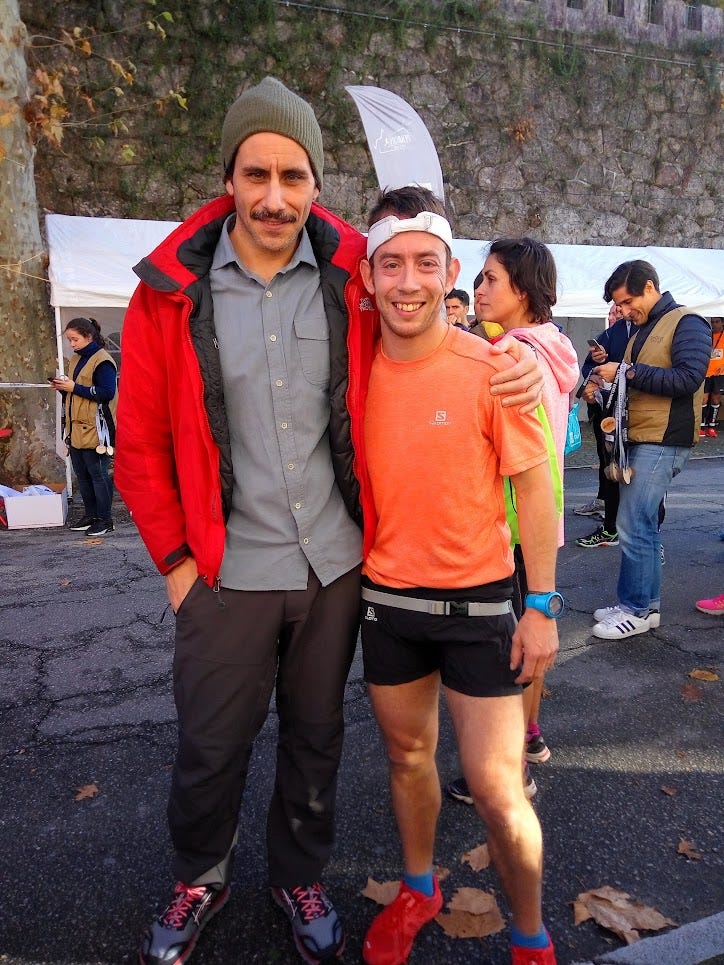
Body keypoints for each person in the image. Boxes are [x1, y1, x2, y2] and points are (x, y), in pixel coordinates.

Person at [114, 77, 545, 965]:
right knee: (211, 742)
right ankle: (201, 874)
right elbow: (141, 443)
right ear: (229, 177)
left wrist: (515, 363)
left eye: (295, 176)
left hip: (336, 567)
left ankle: (296, 872)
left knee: (317, 738)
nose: (276, 196)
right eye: (257, 173)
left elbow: (423, 318)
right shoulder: (169, 293)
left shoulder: (353, 273)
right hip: (225, 569)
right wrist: (176, 564)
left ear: (317, 184)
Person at [355, 186, 560, 965]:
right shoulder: (352, 370)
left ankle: (530, 934)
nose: (408, 282)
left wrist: (540, 603)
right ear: (370, 276)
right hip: (387, 603)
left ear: (450, 275)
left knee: (500, 790)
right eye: (392, 265)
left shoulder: (495, 366)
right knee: (407, 760)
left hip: (479, 605)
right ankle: (418, 886)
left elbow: (536, 486)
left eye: (426, 265)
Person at [447, 238, 577, 804]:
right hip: (539, 521)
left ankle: (509, 772)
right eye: (478, 279)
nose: (480, 291)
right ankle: (531, 736)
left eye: (492, 279)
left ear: (523, 291)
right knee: (531, 627)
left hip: (509, 523)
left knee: (508, 644)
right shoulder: (553, 348)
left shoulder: (511, 354)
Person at [591, 260, 710, 640]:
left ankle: (637, 609)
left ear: (649, 287)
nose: (623, 311)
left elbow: (690, 378)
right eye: (619, 305)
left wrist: (625, 372)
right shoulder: (640, 329)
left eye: (626, 302)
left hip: (664, 440)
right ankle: (642, 605)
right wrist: (603, 381)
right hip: (642, 439)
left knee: (634, 524)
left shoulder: (688, 321)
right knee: (638, 525)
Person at [51, 316, 117, 537]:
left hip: (96, 428)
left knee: (98, 474)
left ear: (89, 337)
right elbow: (75, 391)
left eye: (75, 339)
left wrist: (73, 387)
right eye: (69, 340)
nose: (72, 344)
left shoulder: (103, 361)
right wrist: (63, 387)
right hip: (76, 427)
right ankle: (91, 515)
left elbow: (106, 393)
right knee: (83, 475)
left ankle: (105, 520)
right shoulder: (75, 359)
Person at [574, 304, 633, 547]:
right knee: (608, 464)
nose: (615, 315)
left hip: (637, 414)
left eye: (620, 310)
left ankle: (644, 535)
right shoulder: (609, 335)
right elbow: (587, 366)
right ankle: (610, 526)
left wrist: (620, 371)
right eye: (612, 311)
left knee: (636, 473)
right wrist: (596, 374)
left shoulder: (649, 330)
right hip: (606, 412)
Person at [700, 316, 723, 437]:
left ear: (722, 323)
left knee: (715, 399)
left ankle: (712, 426)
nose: (714, 324)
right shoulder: (706, 335)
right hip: (706, 372)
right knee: (703, 399)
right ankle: (702, 426)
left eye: (717, 322)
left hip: (719, 374)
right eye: (712, 322)